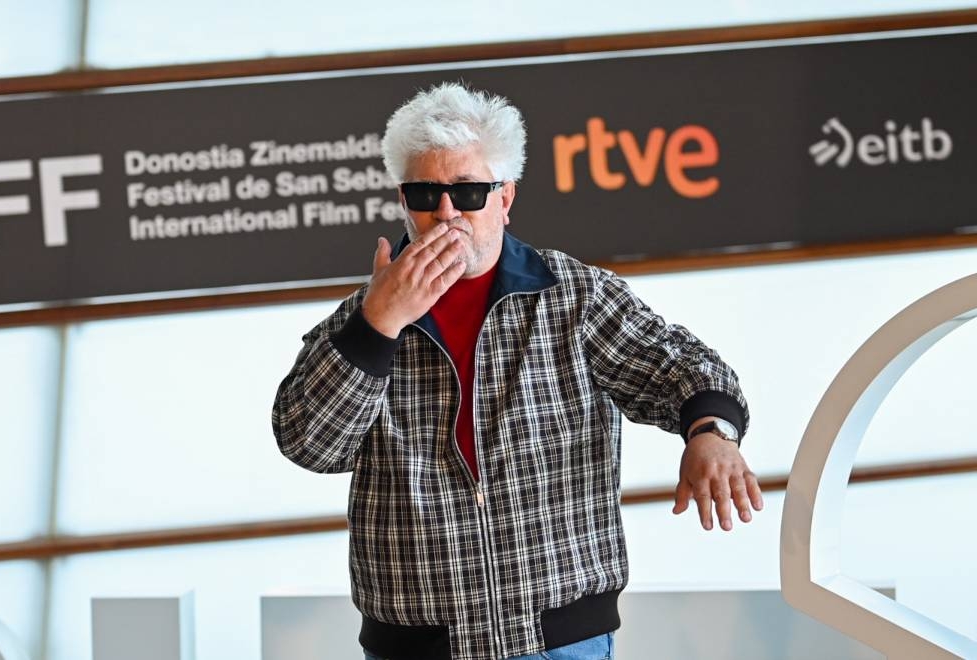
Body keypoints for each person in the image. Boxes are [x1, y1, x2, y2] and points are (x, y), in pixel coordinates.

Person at [272, 82, 763, 660]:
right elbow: (308, 443)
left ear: (505, 198)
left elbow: (685, 366)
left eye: (469, 191)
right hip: (419, 646)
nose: (446, 212)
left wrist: (712, 433)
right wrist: (378, 325)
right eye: (425, 193)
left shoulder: (572, 296)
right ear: (403, 200)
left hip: (559, 640)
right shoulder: (363, 317)